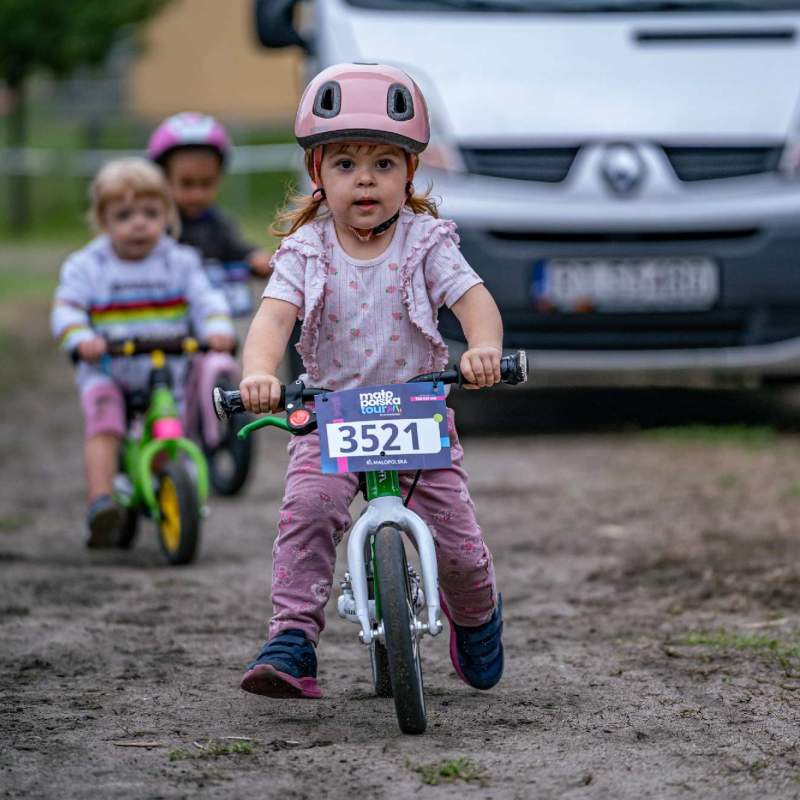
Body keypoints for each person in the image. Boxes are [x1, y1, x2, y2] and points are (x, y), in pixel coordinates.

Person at [237, 63, 506, 700]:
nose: (365, 179)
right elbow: (272, 320)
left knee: (459, 543)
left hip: (416, 414)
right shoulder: (305, 251)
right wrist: (258, 373)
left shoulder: (426, 243)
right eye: (345, 164)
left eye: (384, 164)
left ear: (409, 172)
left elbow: (474, 302)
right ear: (318, 173)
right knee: (308, 513)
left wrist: (483, 349)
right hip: (329, 415)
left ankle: (476, 616)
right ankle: (293, 638)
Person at [51, 158, 235, 548]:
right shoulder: (88, 266)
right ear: (103, 220)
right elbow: (67, 308)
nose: (139, 224)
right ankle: (101, 502)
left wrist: (216, 328)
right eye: (124, 215)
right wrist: (81, 337)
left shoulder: (179, 262)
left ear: (167, 214)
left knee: (169, 426)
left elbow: (207, 300)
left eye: (150, 213)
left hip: (165, 369)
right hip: (108, 369)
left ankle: (168, 486)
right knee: (105, 424)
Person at [147, 112, 272, 317]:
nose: (197, 194)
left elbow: (236, 248)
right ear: (164, 178)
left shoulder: (217, 223)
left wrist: (254, 256)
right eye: (187, 184)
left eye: (206, 183)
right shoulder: (155, 227)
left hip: (212, 319)